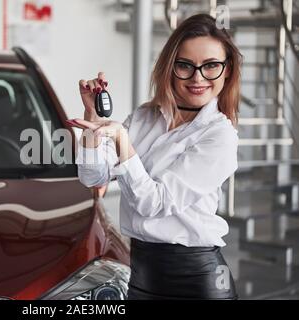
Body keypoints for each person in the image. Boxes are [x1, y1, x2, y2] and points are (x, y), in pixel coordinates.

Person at [66, 13, 242, 300]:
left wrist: (123, 141)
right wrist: (93, 118)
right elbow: (92, 176)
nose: (198, 77)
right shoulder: (145, 117)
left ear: (227, 70)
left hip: (196, 280)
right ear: (170, 67)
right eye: (185, 65)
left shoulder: (220, 136)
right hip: (141, 273)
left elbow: (154, 203)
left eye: (211, 66)